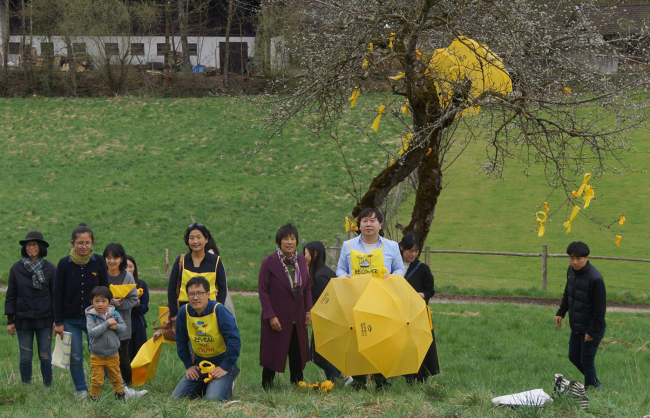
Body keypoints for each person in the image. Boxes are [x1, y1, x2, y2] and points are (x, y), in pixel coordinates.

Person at [336, 208, 404, 389]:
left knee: (382, 341)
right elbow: (340, 270)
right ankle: (358, 381)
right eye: (364, 220)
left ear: (380, 225)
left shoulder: (391, 246)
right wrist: (345, 278)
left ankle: (382, 381)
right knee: (358, 340)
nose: (368, 224)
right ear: (358, 225)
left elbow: (400, 270)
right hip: (356, 301)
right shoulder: (348, 245)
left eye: (373, 220)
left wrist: (390, 278)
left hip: (382, 302)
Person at [54, 223, 109, 399]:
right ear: (73, 243)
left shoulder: (99, 261)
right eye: (80, 243)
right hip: (70, 319)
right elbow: (57, 294)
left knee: (99, 352)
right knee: (75, 356)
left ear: (92, 243)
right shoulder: (64, 264)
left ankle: (99, 386)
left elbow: (105, 288)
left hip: (94, 317)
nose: (83, 246)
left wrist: (108, 313)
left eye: (87, 242)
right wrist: (58, 321)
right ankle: (81, 389)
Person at [258, 224, 312, 389]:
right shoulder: (269, 262)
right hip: (277, 315)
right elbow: (263, 290)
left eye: (292, 238)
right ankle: (267, 386)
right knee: (273, 350)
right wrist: (270, 315)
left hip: (298, 314)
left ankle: (297, 384)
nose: (289, 242)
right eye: (286, 239)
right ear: (279, 241)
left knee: (297, 351)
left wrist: (308, 310)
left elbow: (307, 286)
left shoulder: (301, 260)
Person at [172, 276, 240, 401]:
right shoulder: (184, 311)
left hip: (221, 363)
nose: (195, 297)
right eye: (191, 294)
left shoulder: (219, 310)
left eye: (199, 293)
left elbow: (234, 340)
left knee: (213, 399)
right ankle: (208, 384)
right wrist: (188, 365)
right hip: (200, 365)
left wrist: (225, 366)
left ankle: (227, 382)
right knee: (177, 398)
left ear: (208, 294)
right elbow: (180, 340)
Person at [5, 231, 56, 386]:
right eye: (28, 245)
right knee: (25, 356)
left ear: (40, 247)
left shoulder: (50, 269)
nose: (31, 248)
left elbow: (55, 296)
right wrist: (10, 319)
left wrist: (57, 320)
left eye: (34, 245)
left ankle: (48, 386)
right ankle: (26, 387)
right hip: (23, 320)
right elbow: (11, 295)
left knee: (45, 356)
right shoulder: (16, 269)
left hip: (45, 319)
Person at [555, 241, 606, 390]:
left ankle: (591, 390)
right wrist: (561, 312)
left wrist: (592, 331)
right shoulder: (571, 271)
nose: (575, 262)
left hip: (591, 327)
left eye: (579, 258)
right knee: (573, 356)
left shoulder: (595, 279)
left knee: (586, 360)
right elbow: (568, 293)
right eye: (572, 258)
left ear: (587, 258)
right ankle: (596, 386)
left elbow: (600, 309)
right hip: (577, 325)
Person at [304, 241, 351, 384]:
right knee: (327, 352)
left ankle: (344, 376)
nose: (303, 256)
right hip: (330, 319)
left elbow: (326, 301)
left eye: (305, 253)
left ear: (315, 254)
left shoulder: (320, 276)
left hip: (326, 320)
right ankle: (331, 382)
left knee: (316, 354)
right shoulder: (324, 272)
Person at [399, 233, 440, 383]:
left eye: (416, 251)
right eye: (410, 251)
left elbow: (430, 290)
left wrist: (419, 295)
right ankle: (406, 375)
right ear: (402, 248)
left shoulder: (422, 269)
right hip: (399, 312)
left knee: (420, 343)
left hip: (418, 311)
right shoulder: (393, 266)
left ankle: (422, 376)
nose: (413, 254)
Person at [167, 223, 228, 321]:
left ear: (206, 239)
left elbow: (222, 289)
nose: (195, 241)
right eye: (192, 238)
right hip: (184, 311)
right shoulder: (181, 260)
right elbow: (171, 288)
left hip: (210, 311)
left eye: (199, 237)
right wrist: (174, 314)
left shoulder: (215, 261)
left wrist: (219, 310)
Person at [103, 242, 139, 390]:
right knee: (104, 357)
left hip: (123, 323)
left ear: (121, 259)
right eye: (108, 257)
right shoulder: (101, 274)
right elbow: (94, 297)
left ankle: (128, 386)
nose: (111, 261)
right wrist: (110, 302)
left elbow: (133, 299)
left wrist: (118, 306)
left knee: (123, 359)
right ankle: (108, 384)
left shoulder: (128, 276)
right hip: (103, 323)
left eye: (115, 258)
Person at [86, 286, 128, 400]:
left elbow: (123, 328)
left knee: (116, 377)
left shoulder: (114, 314)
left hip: (113, 354)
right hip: (97, 355)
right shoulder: (91, 317)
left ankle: (120, 395)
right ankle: (94, 397)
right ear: (92, 302)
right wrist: (107, 324)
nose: (100, 304)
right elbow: (92, 332)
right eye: (97, 301)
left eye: (104, 301)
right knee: (97, 379)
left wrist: (116, 326)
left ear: (109, 302)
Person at [126, 255, 149, 362]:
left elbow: (145, 308)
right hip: (122, 327)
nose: (128, 269)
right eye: (125, 267)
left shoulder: (141, 284)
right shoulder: (116, 285)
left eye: (131, 266)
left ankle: (139, 379)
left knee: (139, 359)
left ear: (134, 268)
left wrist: (137, 305)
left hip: (138, 326)